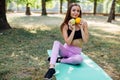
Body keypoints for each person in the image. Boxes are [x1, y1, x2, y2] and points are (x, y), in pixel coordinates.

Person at [44, 3, 89, 80]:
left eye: (78, 11)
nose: (76, 13)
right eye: (73, 10)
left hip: (75, 53)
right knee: (56, 43)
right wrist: (73, 29)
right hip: (65, 50)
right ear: (69, 11)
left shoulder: (84, 23)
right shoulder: (65, 25)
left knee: (79, 59)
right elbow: (68, 42)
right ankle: (51, 68)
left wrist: (81, 28)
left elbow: (85, 40)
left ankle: (60, 60)